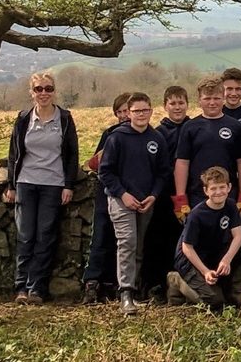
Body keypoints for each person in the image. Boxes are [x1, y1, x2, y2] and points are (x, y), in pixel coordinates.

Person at [4, 72, 79, 304]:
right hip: (26, 182)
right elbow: (14, 154)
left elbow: (71, 155)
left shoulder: (65, 118)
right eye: (39, 89)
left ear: (54, 91)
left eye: (48, 88)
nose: (44, 93)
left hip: (53, 184)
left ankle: (37, 288)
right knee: (25, 236)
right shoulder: (24, 118)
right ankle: (21, 289)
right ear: (31, 92)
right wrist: (11, 184)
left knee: (45, 236)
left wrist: (68, 185)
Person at [98, 92, 170, 315]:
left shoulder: (156, 139)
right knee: (127, 242)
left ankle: (136, 289)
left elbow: (163, 172)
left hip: (145, 201)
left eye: (145, 110)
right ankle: (125, 293)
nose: (141, 115)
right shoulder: (117, 138)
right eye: (137, 111)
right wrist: (123, 194)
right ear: (128, 113)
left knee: (138, 246)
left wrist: (154, 195)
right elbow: (105, 172)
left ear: (151, 111)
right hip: (121, 200)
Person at [166, 166, 241, 309]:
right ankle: (176, 281)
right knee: (215, 302)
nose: (218, 192)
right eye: (213, 188)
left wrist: (226, 260)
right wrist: (205, 272)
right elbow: (187, 247)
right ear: (206, 191)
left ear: (229, 187)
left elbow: (238, 236)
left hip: (213, 253)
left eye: (222, 187)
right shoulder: (197, 215)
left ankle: (236, 293)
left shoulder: (231, 205)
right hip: (190, 260)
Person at [173, 76, 241, 217]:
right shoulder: (189, 127)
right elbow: (182, 162)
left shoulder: (235, 126)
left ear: (223, 98)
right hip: (197, 195)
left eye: (216, 98)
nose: (212, 103)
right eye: (207, 99)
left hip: (228, 194)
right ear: (199, 100)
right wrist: (181, 198)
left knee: (230, 237)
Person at [140, 86, 190, 302]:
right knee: (159, 241)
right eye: (173, 103)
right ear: (165, 106)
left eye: (181, 103)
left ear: (188, 104)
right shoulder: (158, 133)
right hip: (162, 195)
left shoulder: (194, 127)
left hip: (190, 194)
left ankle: (186, 284)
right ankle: (157, 286)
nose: (177, 107)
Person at [81, 92, 130, 304]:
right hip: (106, 191)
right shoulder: (109, 133)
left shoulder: (147, 133)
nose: (124, 115)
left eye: (127, 110)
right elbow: (93, 163)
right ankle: (92, 283)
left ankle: (116, 284)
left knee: (126, 242)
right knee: (100, 236)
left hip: (131, 194)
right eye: (119, 112)